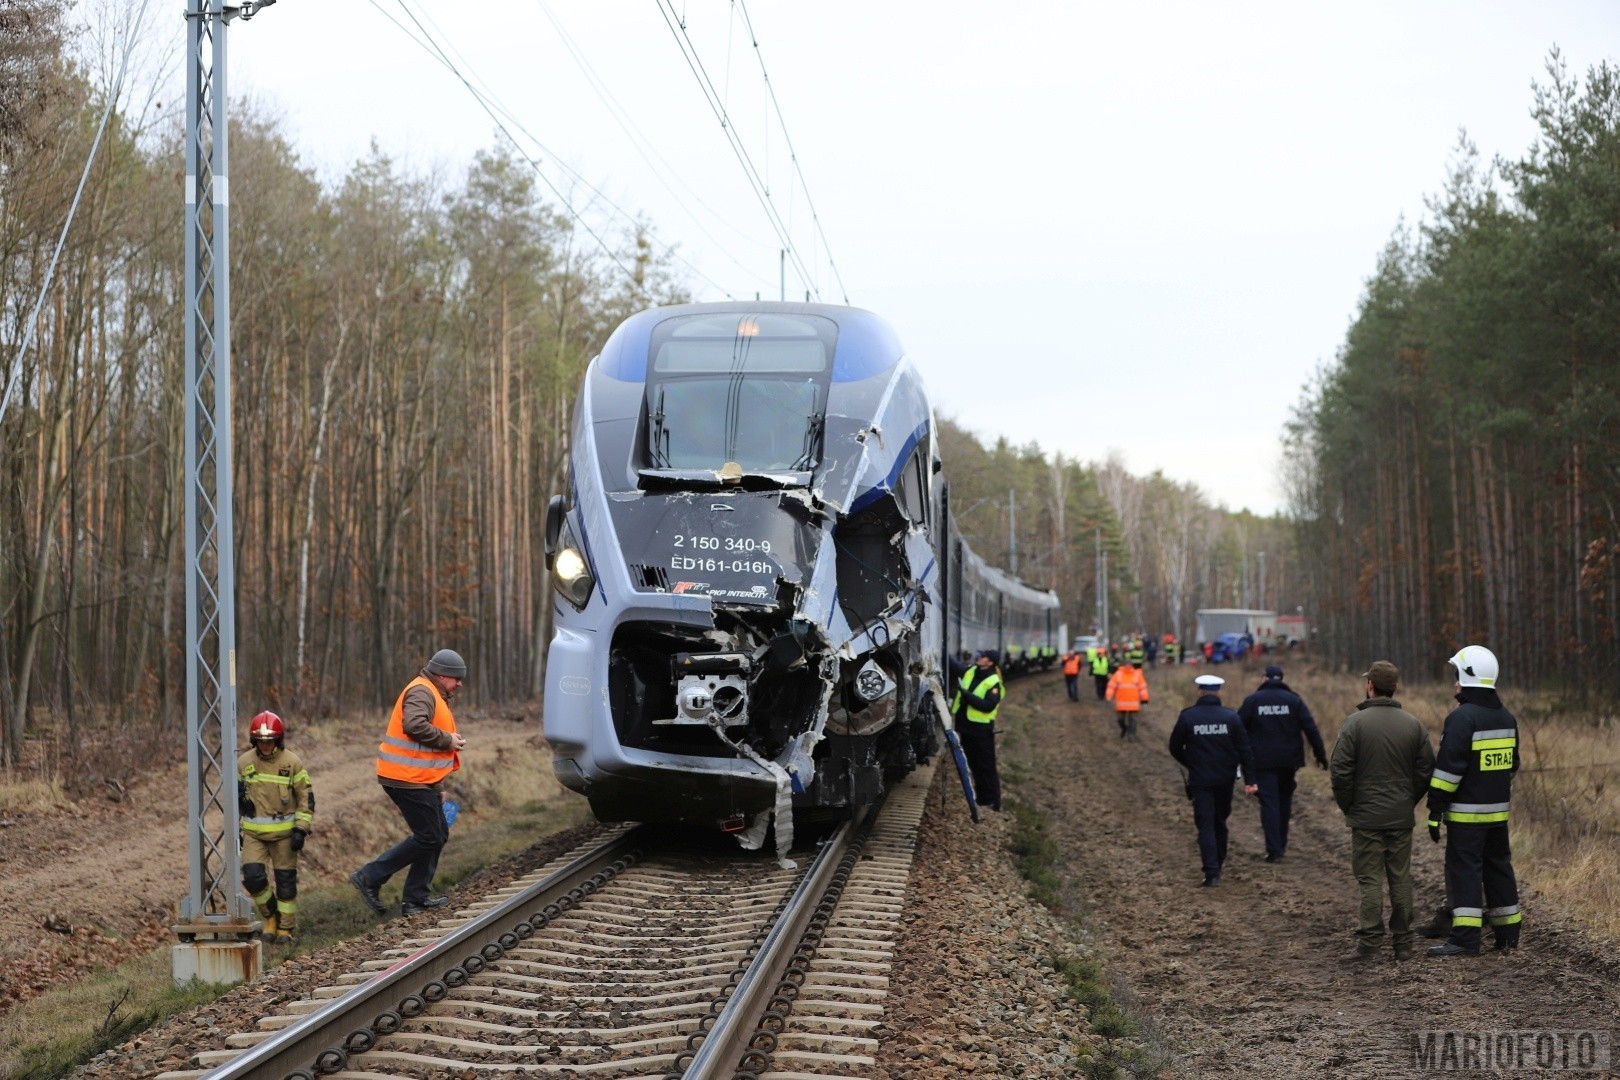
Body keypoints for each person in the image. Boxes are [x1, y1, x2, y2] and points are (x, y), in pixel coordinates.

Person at [1329, 661, 1434, 963]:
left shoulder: (1354, 724)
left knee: (1370, 878)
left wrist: (1349, 804)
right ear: (1395, 687)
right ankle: (1403, 943)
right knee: (1400, 877)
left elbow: (1340, 772)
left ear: (1370, 686)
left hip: (1366, 816)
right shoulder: (1413, 724)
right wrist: (1407, 799)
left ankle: (1370, 943)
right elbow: (1425, 769)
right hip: (1400, 816)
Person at [351, 649, 469, 917]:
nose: (460, 684)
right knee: (429, 836)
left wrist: (436, 786)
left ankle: (415, 899)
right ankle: (370, 877)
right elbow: (414, 725)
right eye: (456, 678)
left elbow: (423, 752)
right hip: (404, 778)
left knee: (437, 834)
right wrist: (447, 739)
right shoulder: (422, 691)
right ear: (442, 675)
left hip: (417, 778)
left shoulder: (434, 692)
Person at [1423, 645, 1522, 957]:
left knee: (1464, 871)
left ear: (1467, 677)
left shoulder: (1461, 719)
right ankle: (1507, 937)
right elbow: (1512, 765)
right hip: (1498, 815)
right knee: (1499, 868)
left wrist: (1435, 808)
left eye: (1457, 676)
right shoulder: (1506, 717)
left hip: (1466, 818)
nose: (1454, 683)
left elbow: (1448, 772)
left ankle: (1465, 940)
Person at [1170, 674, 1258, 886]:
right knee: (1220, 822)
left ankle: (1211, 872)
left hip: (1200, 780)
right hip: (1225, 779)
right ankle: (1218, 862)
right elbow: (1245, 751)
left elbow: (1174, 747)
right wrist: (1250, 779)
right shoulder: (1230, 717)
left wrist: (1190, 762)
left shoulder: (1188, 717)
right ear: (1219, 692)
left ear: (1199, 692)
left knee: (1206, 824)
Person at [1238, 663, 1328, 862]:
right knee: (1284, 801)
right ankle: (1282, 843)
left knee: (1269, 803)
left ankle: (1274, 849)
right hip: (1289, 761)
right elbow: (1310, 728)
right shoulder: (1293, 700)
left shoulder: (1253, 701)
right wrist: (1320, 755)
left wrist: (1234, 757)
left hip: (1262, 761)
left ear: (1264, 678)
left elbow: (1237, 728)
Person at [238, 711, 314, 944]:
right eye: (261, 742)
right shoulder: (244, 763)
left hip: (284, 835)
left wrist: (300, 829)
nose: (265, 746)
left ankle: (285, 928)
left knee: (285, 881)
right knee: (252, 877)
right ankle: (270, 916)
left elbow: (306, 799)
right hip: (254, 834)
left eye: (269, 741)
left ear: (278, 740)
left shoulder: (292, 763)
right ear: (254, 742)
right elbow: (234, 799)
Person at [952, 650, 1005, 812]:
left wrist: (966, 695)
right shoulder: (972, 671)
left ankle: (992, 801)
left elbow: (988, 706)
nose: (979, 658)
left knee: (986, 766)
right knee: (974, 764)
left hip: (981, 731)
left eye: (983, 657)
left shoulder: (994, 682)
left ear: (990, 662)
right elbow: (954, 667)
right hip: (966, 728)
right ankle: (982, 798)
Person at [1105, 657, 1149, 740]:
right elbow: (1111, 686)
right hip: (1121, 702)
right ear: (1123, 665)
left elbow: (1143, 688)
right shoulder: (1118, 674)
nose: (1128, 666)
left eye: (1129, 664)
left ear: (1132, 665)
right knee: (1120, 719)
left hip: (1134, 703)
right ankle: (1124, 728)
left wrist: (1144, 699)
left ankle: (1131, 734)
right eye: (1126, 664)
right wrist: (1109, 696)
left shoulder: (1137, 675)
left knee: (1133, 720)